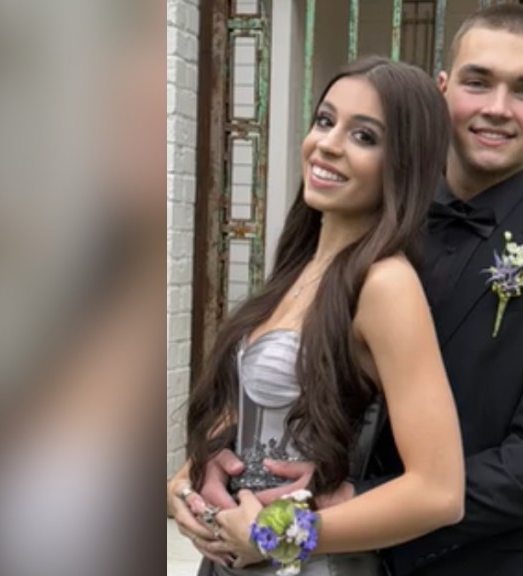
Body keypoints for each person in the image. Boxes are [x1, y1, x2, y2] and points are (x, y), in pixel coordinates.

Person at [193, 5, 523, 575]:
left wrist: (349, 504)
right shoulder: (359, 207)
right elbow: (284, 363)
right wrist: (208, 465)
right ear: (443, 89)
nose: (496, 109)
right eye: (478, 82)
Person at [166, 57, 465, 575]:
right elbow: (249, 415)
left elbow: (439, 491)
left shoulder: (385, 284)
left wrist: (279, 534)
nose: (327, 144)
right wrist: (187, 482)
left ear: (404, 163)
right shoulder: (299, 268)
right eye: (325, 121)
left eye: (365, 136)